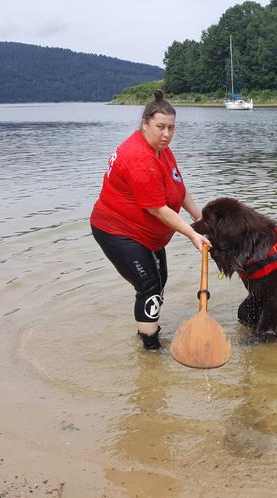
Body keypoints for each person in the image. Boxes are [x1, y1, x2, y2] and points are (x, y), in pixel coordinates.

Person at [90, 90, 210, 350]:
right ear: (144, 124)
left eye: (171, 128)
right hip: (117, 230)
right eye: (160, 127)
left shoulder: (161, 150)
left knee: (159, 280)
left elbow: (179, 186)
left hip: (146, 233)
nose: (166, 134)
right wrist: (192, 234)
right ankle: (150, 349)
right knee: (149, 284)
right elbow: (158, 209)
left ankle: (146, 327)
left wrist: (199, 217)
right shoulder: (139, 158)